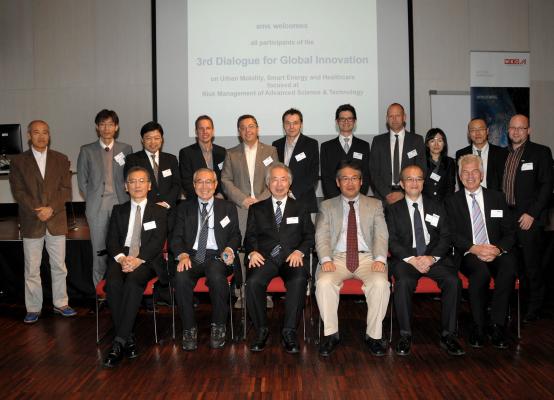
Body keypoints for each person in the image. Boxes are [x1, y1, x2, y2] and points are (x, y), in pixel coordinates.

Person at [387, 165, 464, 356]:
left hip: (434, 256)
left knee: (453, 281)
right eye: (409, 179)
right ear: (402, 184)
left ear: (423, 182)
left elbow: (446, 236)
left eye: (418, 179)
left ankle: (448, 335)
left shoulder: (437, 206)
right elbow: (391, 240)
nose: (414, 183)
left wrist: (432, 257)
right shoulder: (393, 210)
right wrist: (412, 259)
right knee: (403, 282)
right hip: (406, 259)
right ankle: (405, 335)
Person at [315, 160, 389, 357]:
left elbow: (381, 234)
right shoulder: (327, 206)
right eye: (345, 179)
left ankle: (374, 336)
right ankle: (331, 335)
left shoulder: (375, 204)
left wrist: (380, 259)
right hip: (336, 258)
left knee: (381, 284)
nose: (350, 183)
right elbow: (321, 235)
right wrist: (326, 259)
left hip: (368, 258)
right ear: (337, 182)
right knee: (324, 283)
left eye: (354, 178)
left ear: (361, 181)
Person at [446, 154, 517, 348]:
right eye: (465, 172)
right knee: (481, 272)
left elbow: (510, 232)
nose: (470, 176)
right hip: (469, 252)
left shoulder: (497, 197)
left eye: (474, 171)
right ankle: (478, 326)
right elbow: (451, 234)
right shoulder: (452, 201)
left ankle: (497, 326)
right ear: (460, 176)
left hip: (495, 250)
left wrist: (498, 249)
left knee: (508, 268)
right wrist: (474, 248)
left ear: (482, 174)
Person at [9, 120, 76, 323]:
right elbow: (18, 191)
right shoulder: (18, 161)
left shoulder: (61, 159)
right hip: (32, 220)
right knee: (32, 268)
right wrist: (37, 210)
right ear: (29, 135)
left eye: (45, 132)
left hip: (56, 219)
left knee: (59, 266)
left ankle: (61, 303)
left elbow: (65, 190)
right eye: (36, 132)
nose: (41, 136)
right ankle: (33, 308)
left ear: (49, 135)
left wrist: (51, 208)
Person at [244, 163, 315, 353]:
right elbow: (250, 237)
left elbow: (309, 236)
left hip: (291, 258)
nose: (279, 184)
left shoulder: (300, 207)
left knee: (298, 280)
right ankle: (261, 329)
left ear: (289, 183)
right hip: (265, 258)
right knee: (253, 282)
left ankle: (289, 331)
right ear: (268, 183)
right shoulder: (257, 208)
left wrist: (299, 252)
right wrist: (252, 252)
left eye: (283, 179)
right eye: (274, 179)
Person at [102, 166, 167, 367]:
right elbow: (111, 240)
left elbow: (157, 242)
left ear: (149, 185)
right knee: (113, 283)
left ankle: (118, 343)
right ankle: (127, 337)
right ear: (126, 186)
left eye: (141, 181)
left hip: (147, 259)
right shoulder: (118, 210)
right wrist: (123, 259)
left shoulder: (159, 211)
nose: (137, 185)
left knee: (132, 282)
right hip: (121, 257)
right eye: (132, 181)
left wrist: (138, 259)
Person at [171, 168, 241, 351]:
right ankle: (189, 328)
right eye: (200, 182)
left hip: (217, 256)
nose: (204, 186)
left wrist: (229, 249)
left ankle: (219, 325)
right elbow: (176, 237)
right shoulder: (184, 208)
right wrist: (182, 255)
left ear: (215, 185)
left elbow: (235, 235)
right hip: (191, 256)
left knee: (217, 276)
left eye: (208, 181)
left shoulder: (227, 207)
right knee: (181, 277)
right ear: (194, 185)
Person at [502, 114, 553, 322]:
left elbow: (547, 186)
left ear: (528, 130)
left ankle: (535, 308)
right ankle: (520, 305)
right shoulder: (503, 154)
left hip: (528, 218)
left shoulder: (540, 152)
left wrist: (532, 213)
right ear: (508, 130)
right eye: (513, 128)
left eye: (521, 128)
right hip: (507, 218)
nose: (516, 131)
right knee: (515, 265)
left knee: (532, 265)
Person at [77, 109, 133, 287]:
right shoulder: (87, 150)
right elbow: (82, 181)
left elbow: (130, 177)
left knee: (123, 249)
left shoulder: (126, 149)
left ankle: (121, 287)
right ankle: (100, 291)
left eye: (110, 124)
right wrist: (93, 199)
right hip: (97, 209)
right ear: (97, 127)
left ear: (116, 127)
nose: (106, 128)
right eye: (102, 124)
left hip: (122, 206)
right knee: (99, 251)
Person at [369, 103, 426, 205]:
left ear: (404, 117)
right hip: (383, 198)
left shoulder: (416, 140)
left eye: (398, 115)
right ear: (387, 119)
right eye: (391, 116)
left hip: (409, 196)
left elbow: (422, 170)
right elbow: (373, 171)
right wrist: (387, 194)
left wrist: (403, 193)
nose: (394, 119)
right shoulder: (378, 141)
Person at [124, 121, 180, 211]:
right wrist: (151, 206)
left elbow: (177, 184)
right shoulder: (132, 160)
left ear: (162, 139)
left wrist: (166, 203)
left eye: (156, 138)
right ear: (142, 140)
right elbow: (131, 185)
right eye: (148, 138)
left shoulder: (171, 159)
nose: (153, 142)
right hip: (144, 210)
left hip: (168, 210)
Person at [272, 108, 319, 214]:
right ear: (283, 125)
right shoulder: (276, 144)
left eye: (295, 123)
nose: (291, 127)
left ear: (301, 125)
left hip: (304, 201)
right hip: (280, 201)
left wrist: (292, 193)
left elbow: (313, 175)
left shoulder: (311, 144)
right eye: (288, 123)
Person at [320, 104, 371, 199]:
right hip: (333, 201)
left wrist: (357, 198)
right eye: (342, 119)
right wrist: (337, 200)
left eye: (349, 119)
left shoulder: (364, 146)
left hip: (359, 200)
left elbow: (366, 176)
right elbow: (326, 178)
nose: (346, 121)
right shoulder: (326, 147)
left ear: (355, 121)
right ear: (337, 121)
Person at [179, 115, 226, 199]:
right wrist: (204, 197)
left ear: (213, 131)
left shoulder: (222, 152)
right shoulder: (186, 153)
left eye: (208, 128)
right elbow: (186, 181)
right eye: (201, 128)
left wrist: (220, 195)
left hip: (219, 199)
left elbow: (226, 178)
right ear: (196, 132)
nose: (205, 131)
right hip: (196, 200)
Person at [455, 118, 508, 191]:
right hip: (470, 196)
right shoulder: (461, 154)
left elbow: (504, 181)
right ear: (469, 134)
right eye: (473, 130)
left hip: (495, 196)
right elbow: (462, 180)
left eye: (481, 129)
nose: (477, 133)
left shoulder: (501, 153)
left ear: (487, 131)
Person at [422, 128, 456, 202]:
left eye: (440, 141)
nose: (436, 144)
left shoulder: (450, 162)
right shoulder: (421, 161)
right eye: (432, 141)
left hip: (443, 204)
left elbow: (450, 187)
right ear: (427, 144)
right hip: (424, 203)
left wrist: (445, 204)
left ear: (444, 144)